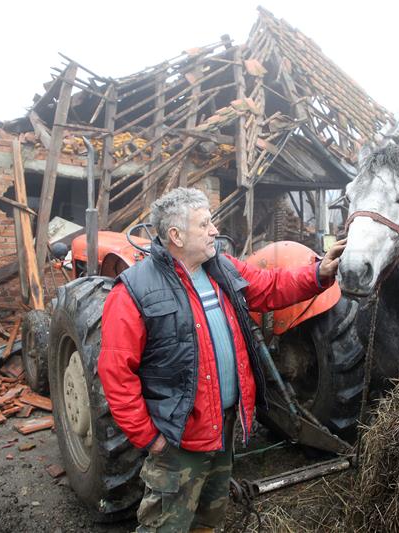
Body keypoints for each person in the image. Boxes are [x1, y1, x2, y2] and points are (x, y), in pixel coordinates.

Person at [98, 187, 345, 533]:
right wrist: (150, 439)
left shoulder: (222, 269)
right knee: (166, 526)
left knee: (209, 521)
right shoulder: (133, 291)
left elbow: (270, 286)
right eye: (204, 224)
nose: (215, 230)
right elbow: (116, 376)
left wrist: (320, 273)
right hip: (177, 443)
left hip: (223, 431)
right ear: (176, 235)